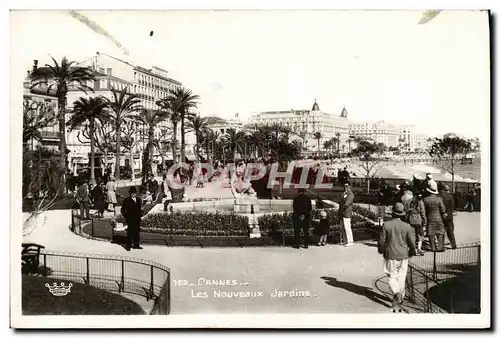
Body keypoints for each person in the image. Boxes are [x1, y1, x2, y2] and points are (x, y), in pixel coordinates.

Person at [378, 202, 417, 312]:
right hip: (403, 254)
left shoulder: (386, 225)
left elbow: (382, 241)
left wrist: (381, 249)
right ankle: (401, 297)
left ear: (392, 213)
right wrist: (413, 250)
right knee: (402, 276)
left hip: (390, 254)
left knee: (391, 276)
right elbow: (412, 242)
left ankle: (396, 292)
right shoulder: (407, 226)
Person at [422, 180, 447, 252]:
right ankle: (440, 247)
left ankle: (433, 248)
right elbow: (443, 210)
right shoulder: (439, 199)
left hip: (430, 219)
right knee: (440, 232)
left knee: (431, 233)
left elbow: (423, 211)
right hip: (439, 218)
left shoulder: (425, 200)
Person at [121, 186, 143, 251]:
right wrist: (126, 216)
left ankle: (136, 245)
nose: (133, 194)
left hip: (137, 219)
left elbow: (140, 209)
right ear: (130, 193)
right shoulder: (127, 200)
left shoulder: (138, 200)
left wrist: (141, 214)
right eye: (132, 193)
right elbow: (122, 210)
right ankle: (128, 246)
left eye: (134, 193)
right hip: (130, 219)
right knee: (130, 233)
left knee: (137, 232)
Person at [438, 182, 457, 249]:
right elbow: (452, 207)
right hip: (449, 216)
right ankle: (453, 244)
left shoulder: (437, 196)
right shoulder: (450, 196)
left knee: (441, 231)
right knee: (450, 231)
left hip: (440, 216)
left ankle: (441, 246)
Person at [338, 181, 354, 247]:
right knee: (343, 228)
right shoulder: (345, 193)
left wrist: (342, 207)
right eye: (344, 186)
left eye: (346, 186)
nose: (345, 187)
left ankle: (350, 241)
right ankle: (345, 241)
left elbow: (347, 203)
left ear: (349, 186)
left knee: (347, 227)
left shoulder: (350, 194)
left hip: (346, 212)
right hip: (342, 212)